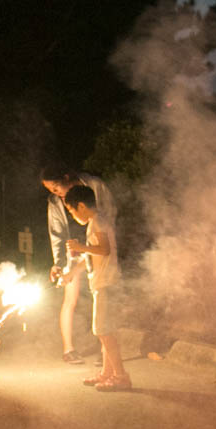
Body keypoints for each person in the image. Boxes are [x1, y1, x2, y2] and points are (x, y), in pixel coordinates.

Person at [40, 166, 117, 364]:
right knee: (70, 300)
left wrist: (102, 235)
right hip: (74, 252)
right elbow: (56, 233)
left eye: (57, 188)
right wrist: (59, 264)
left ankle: (106, 354)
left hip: (96, 248)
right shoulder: (55, 203)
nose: (57, 194)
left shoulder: (94, 187)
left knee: (99, 300)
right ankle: (69, 350)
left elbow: (110, 214)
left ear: (66, 178)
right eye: (52, 191)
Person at [61, 185, 131, 391]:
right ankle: (107, 373)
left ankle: (121, 376)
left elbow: (104, 249)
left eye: (72, 211)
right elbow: (93, 255)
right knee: (105, 330)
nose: (73, 216)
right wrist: (72, 273)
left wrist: (79, 247)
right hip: (102, 283)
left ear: (81, 206)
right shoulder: (95, 222)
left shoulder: (97, 221)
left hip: (107, 283)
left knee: (103, 331)